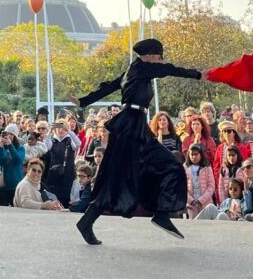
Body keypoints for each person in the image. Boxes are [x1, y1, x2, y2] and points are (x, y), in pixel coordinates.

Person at [68, 38, 209, 244]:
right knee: (127, 175)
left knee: (143, 170)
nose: (161, 61)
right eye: (159, 57)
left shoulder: (133, 70)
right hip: (130, 126)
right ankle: (158, 214)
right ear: (150, 56)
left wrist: (83, 101)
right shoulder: (142, 69)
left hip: (135, 125)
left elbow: (108, 87)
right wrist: (198, 74)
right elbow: (170, 69)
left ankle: (159, 213)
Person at [44, 120, 76, 207]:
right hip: (55, 171)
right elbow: (46, 146)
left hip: (68, 172)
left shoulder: (69, 139)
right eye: (58, 128)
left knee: (66, 194)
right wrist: (50, 131)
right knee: (54, 194)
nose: (60, 130)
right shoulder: (53, 140)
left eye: (63, 128)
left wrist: (68, 131)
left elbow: (78, 143)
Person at [0, 124, 25, 207]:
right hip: (3, 184)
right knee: (1, 209)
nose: (9, 136)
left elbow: (18, 160)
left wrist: (10, 145)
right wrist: (1, 146)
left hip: (15, 185)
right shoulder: (1, 148)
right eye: (7, 133)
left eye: (11, 134)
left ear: (15, 136)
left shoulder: (20, 148)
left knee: (16, 209)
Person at [184, 144, 215, 219]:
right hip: (191, 205)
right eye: (192, 154)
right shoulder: (185, 167)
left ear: (201, 154)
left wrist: (201, 200)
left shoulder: (207, 167)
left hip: (205, 203)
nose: (194, 157)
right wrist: (191, 200)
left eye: (196, 154)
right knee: (193, 224)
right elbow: (181, 187)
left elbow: (211, 186)